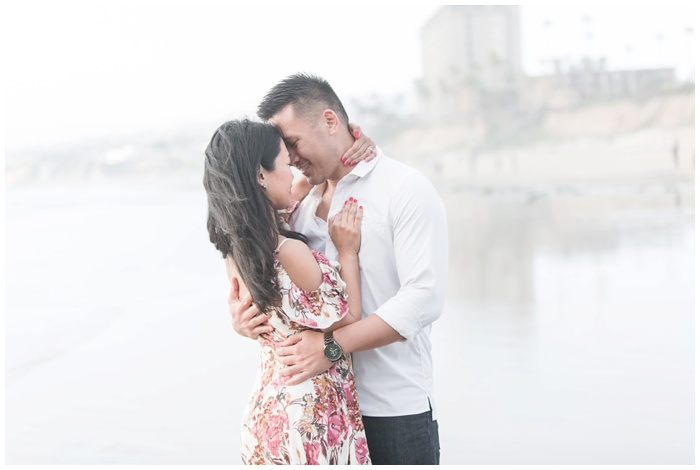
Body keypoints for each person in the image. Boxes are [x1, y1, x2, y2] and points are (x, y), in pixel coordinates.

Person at [229, 73, 449, 465]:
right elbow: (273, 283)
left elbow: (425, 298)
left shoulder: (404, 189)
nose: (291, 158)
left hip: (389, 409)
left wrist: (332, 347)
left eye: (293, 144)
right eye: (284, 150)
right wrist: (244, 317)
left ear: (331, 122)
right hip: (316, 413)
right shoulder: (298, 205)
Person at [203, 119, 374, 465]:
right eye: (284, 162)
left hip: (268, 411)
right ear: (260, 176)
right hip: (310, 414)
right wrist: (346, 252)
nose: (294, 170)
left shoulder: (234, 250)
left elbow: (296, 190)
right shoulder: (288, 251)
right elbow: (349, 317)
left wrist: (350, 143)